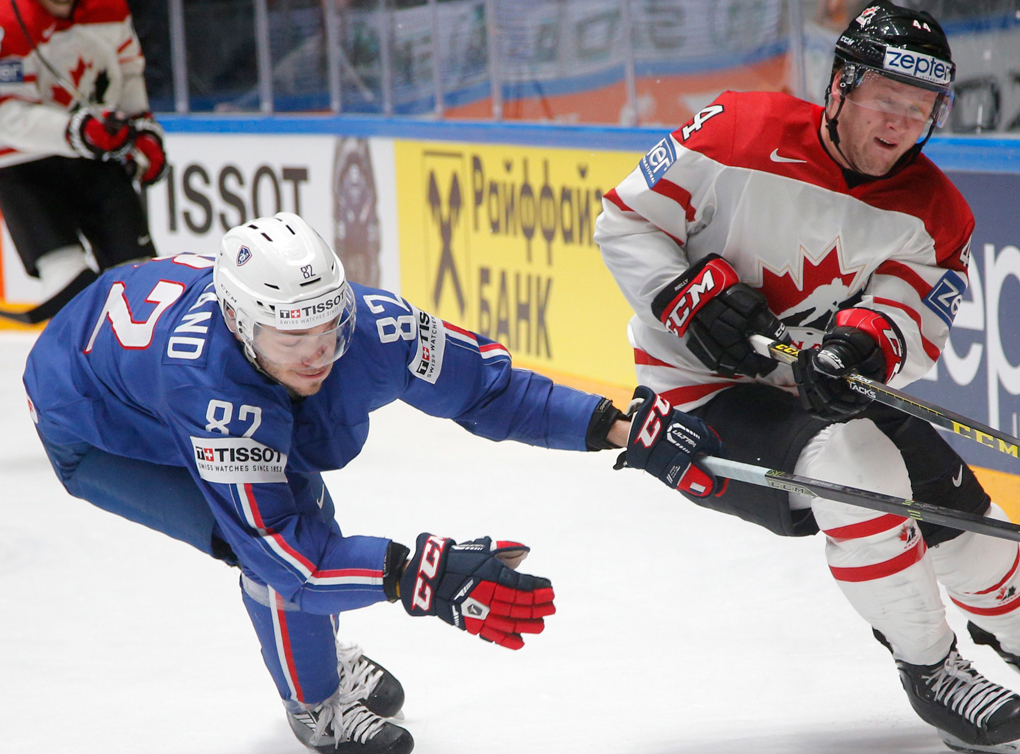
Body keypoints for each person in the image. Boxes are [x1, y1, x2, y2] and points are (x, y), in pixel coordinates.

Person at [594, 3, 1020, 753]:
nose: (900, 125)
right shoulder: (734, 132)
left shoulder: (937, 212)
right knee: (860, 466)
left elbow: (911, 317)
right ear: (840, 87)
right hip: (696, 390)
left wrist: (863, 348)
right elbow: (624, 222)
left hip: (810, 383)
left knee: (956, 502)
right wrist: (686, 295)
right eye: (887, 100)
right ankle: (931, 667)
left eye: (920, 111)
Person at [22, 212, 721, 754]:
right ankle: (316, 705)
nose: (317, 353)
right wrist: (421, 574)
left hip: (156, 368)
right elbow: (283, 555)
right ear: (239, 322)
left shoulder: (370, 324)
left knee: (301, 515)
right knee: (274, 541)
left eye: (325, 325)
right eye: (290, 338)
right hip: (97, 428)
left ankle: (316, 649)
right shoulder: (211, 391)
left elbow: (488, 391)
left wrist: (617, 427)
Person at [0, 0, 167, 321]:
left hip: (97, 157)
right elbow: (4, 113)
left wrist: (141, 128)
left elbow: (129, 71)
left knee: (142, 282)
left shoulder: (109, 7)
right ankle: (83, 364)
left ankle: (143, 364)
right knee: (70, 287)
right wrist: (73, 130)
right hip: (22, 167)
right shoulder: (8, 19)